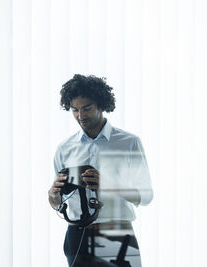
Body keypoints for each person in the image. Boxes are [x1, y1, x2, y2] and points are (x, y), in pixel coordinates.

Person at [48, 74, 153, 267]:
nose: (80, 116)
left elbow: (146, 196)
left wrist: (109, 185)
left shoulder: (129, 142)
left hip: (116, 234)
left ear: (101, 105)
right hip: (76, 236)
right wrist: (53, 195)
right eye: (74, 110)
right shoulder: (65, 148)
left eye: (86, 108)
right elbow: (56, 202)